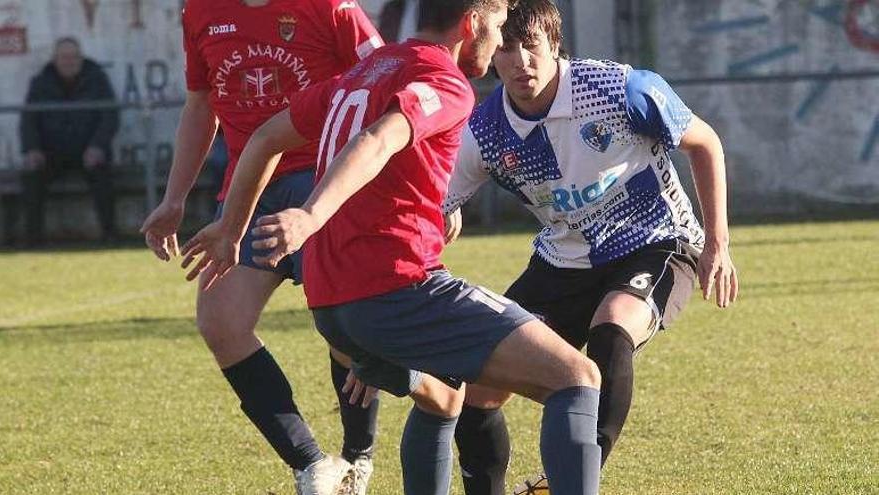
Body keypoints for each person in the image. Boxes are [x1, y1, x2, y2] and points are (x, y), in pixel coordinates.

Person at [180, 1, 607, 494]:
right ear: (471, 23)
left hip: (332, 305)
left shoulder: (365, 72)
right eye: (496, 26)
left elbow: (263, 138)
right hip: (398, 290)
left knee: (443, 397)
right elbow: (377, 141)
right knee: (576, 376)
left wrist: (233, 228)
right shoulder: (443, 80)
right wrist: (310, 215)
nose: (499, 40)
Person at [442, 1, 739, 493]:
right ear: (492, 53)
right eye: (508, 49)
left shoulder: (618, 90)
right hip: (562, 260)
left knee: (613, 326)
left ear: (555, 45)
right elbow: (431, 206)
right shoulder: (485, 131)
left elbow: (705, 143)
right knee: (480, 386)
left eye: (532, 46)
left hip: (657, 242)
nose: (521, 62)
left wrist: (718, 245)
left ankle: (572, 480)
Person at [138, 1, 383, 494]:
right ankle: (311, 463)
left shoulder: (331, 7)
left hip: (323, 180)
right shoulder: (199, 11)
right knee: (220, 322)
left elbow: (384, 83)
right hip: (249, 190)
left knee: (340, 324)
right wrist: (175, 199)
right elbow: (201, 103)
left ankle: (358, 457)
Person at [19, 37, 119, 246]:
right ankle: (33, 241)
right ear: (55, 59)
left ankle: (110, 236)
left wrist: (98, 146)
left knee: (103, 175)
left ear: (81, 59)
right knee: (31, 176)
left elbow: (110, 116)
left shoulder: (97, 80)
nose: (69, 61)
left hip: (88, 151)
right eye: (64, 57)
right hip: (51, 154)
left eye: (74, 57)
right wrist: (33, 150)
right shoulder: (40, 83)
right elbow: (28, 120)